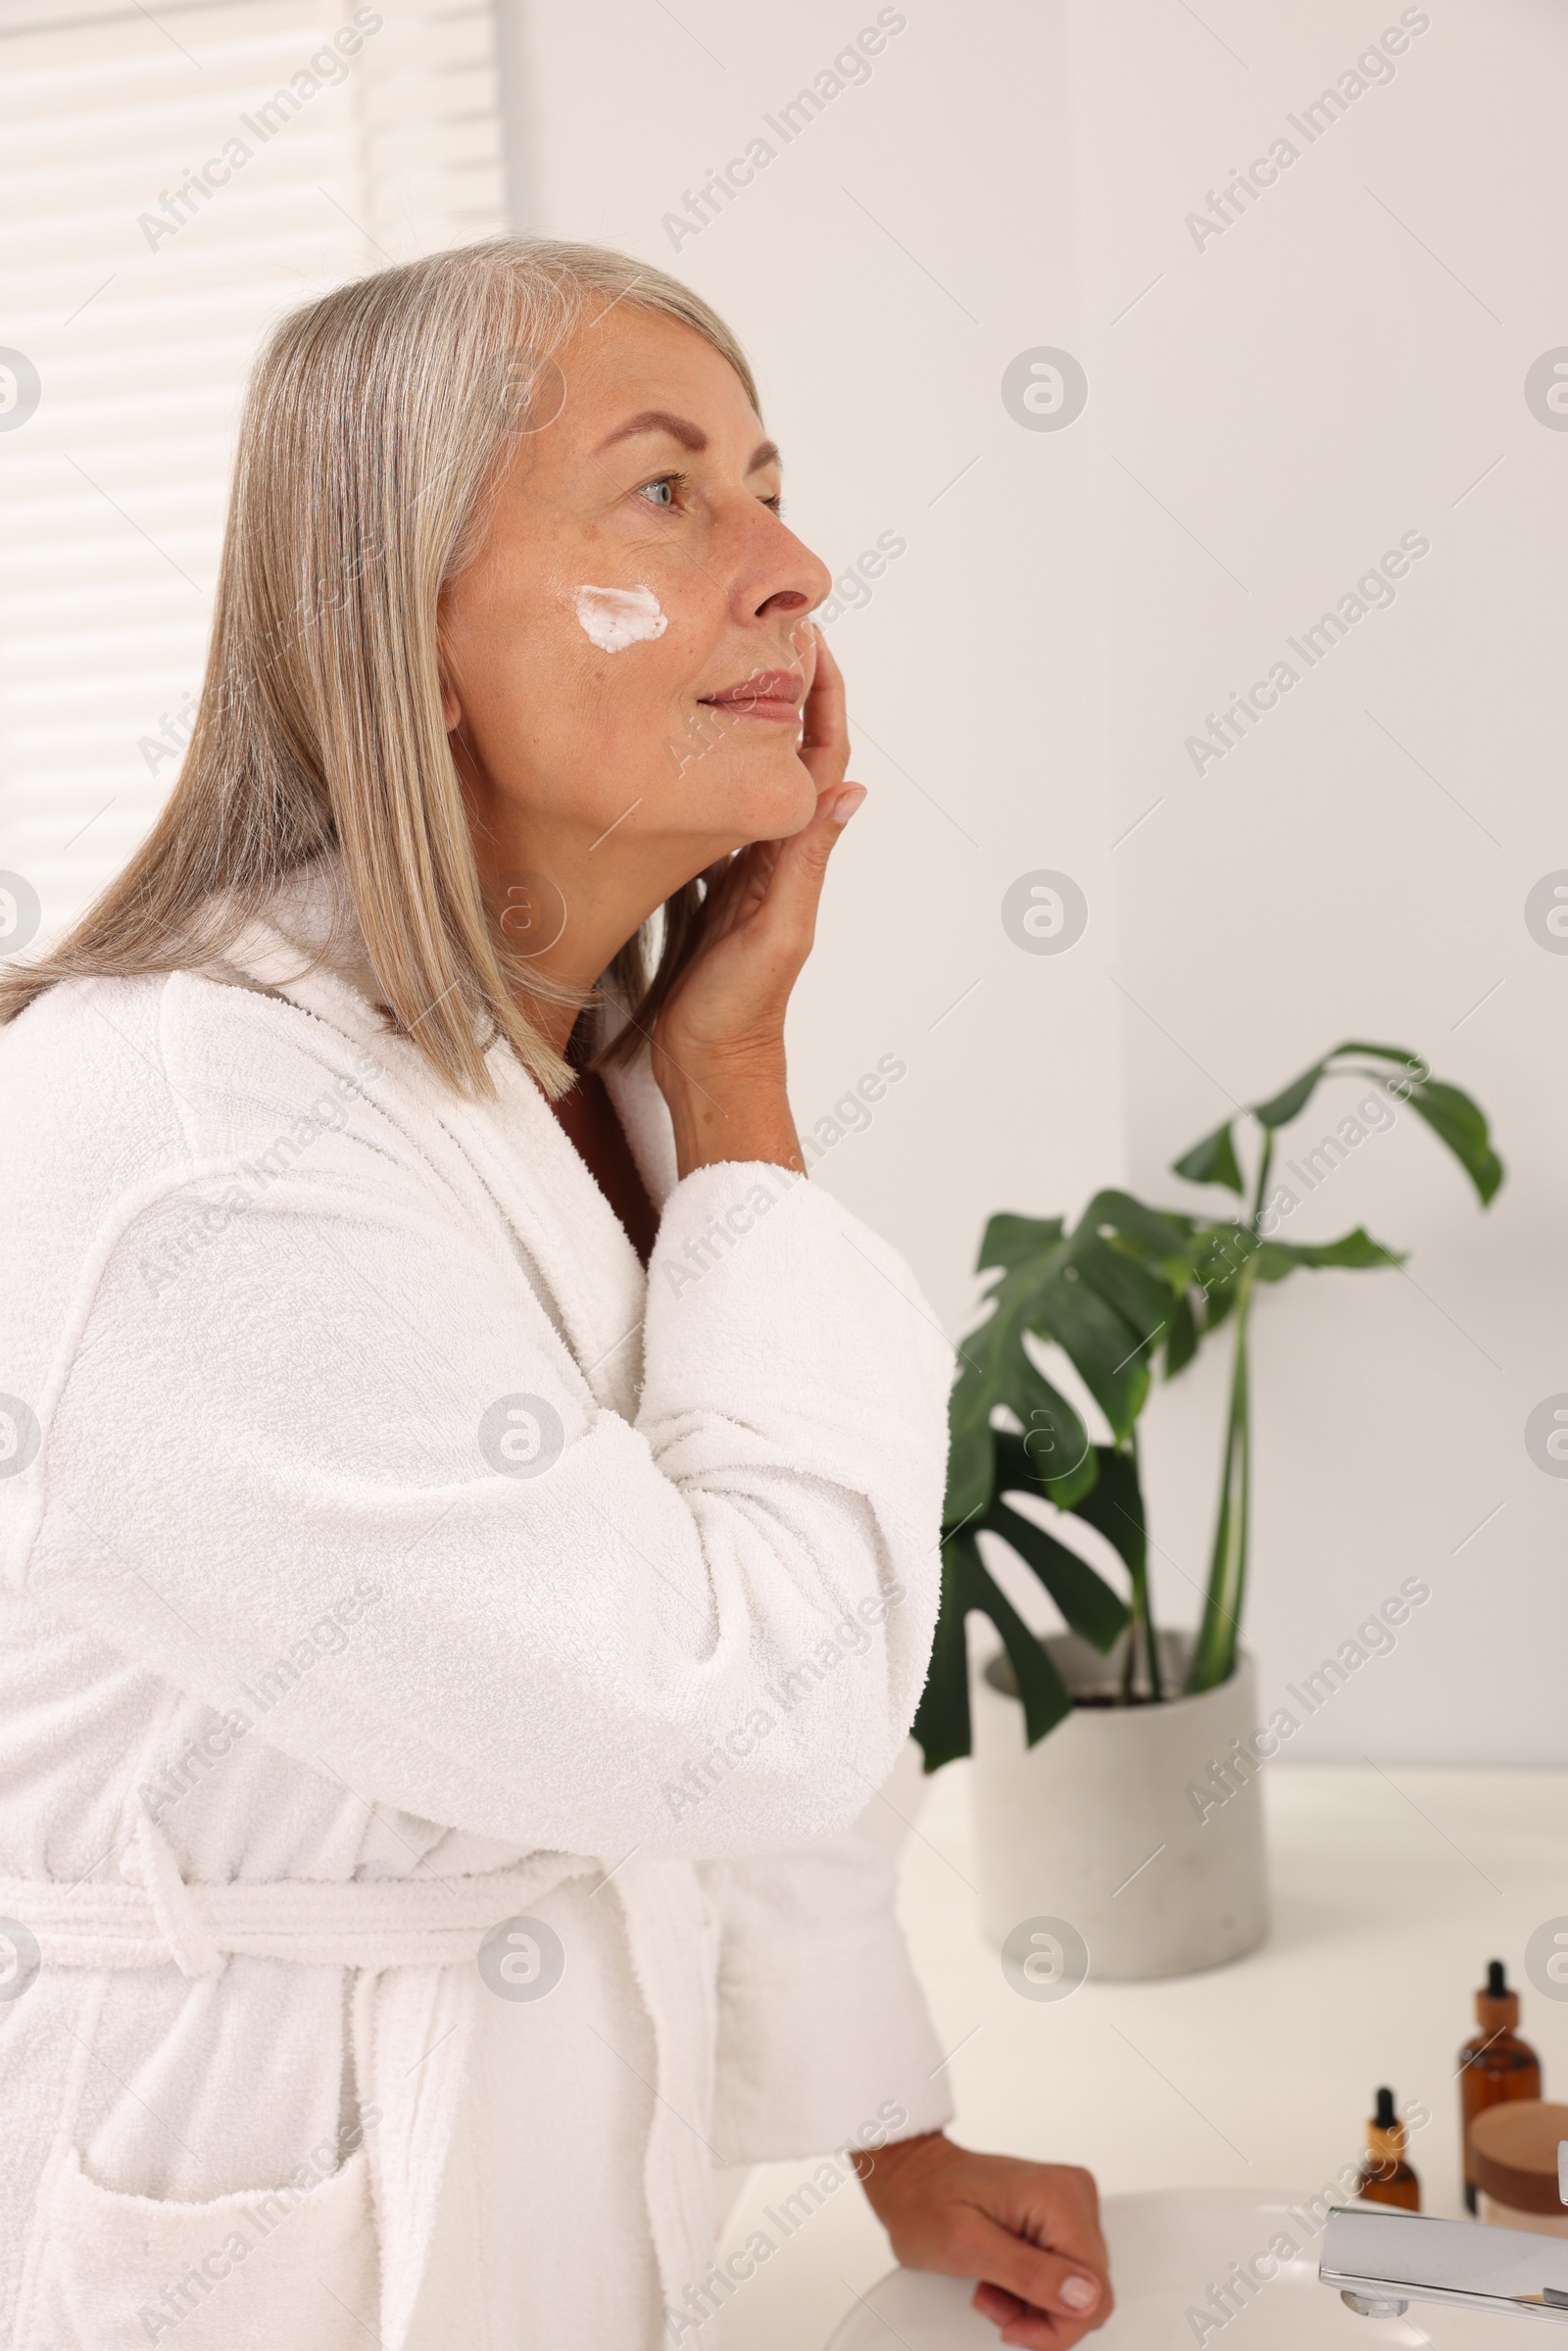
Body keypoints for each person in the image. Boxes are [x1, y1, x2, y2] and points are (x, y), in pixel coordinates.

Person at [0, 237, 1111, 2350]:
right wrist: (746, 1088)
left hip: (550, 2158)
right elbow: (734, 1712)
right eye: (666, 491)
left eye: (768, 483)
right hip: (258, 2218)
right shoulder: (188, 1143)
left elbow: (746, 1679)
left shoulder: (579, 1075)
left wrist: (889, 2134)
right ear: (399, 630)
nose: (789, 563)